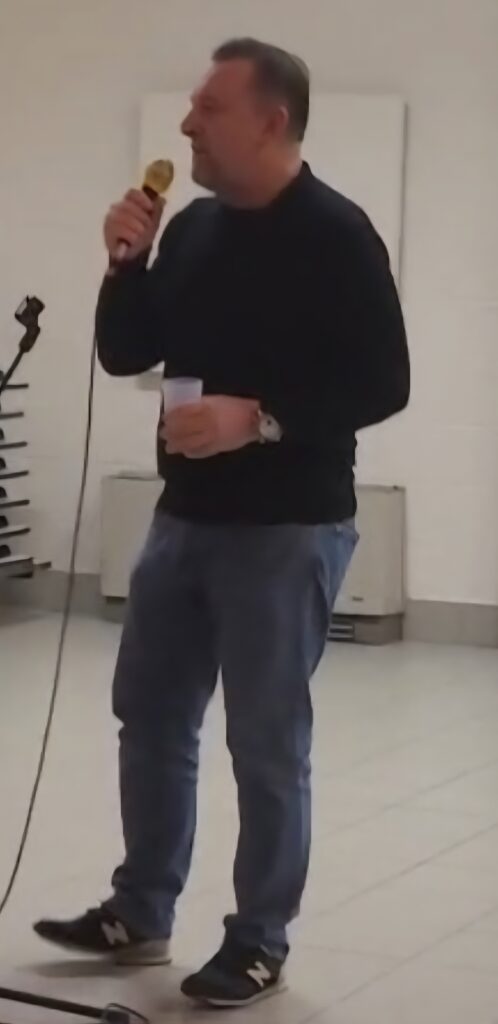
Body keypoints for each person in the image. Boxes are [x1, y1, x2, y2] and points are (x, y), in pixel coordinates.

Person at [34, 38, 410, 1008]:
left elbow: (384, 383)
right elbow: (128, 354)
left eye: (208, 108)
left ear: (271, 121)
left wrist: (261, 417)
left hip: (288, 529)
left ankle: (257, 940)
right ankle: (141, 910)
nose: (186, 123)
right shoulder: (196, 227)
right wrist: (125, 265)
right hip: (182, 519)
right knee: (151, 716)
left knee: (264, 743)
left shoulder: (337, 235)